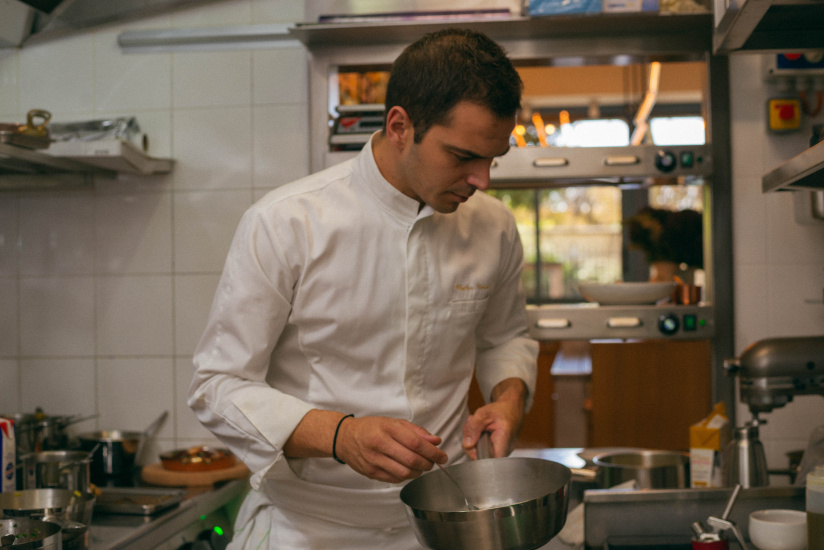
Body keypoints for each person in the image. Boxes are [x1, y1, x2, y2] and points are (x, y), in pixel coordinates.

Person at [188, 27, 539, 549]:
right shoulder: (286, 223)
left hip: (444, 524)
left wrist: (509, 400)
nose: (482, 179)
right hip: (307, 528)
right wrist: (340, 435)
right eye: (463, 156)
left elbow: (506, 337)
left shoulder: (493, 226)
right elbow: (216, 386)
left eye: (493, 159)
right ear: (400, 125)